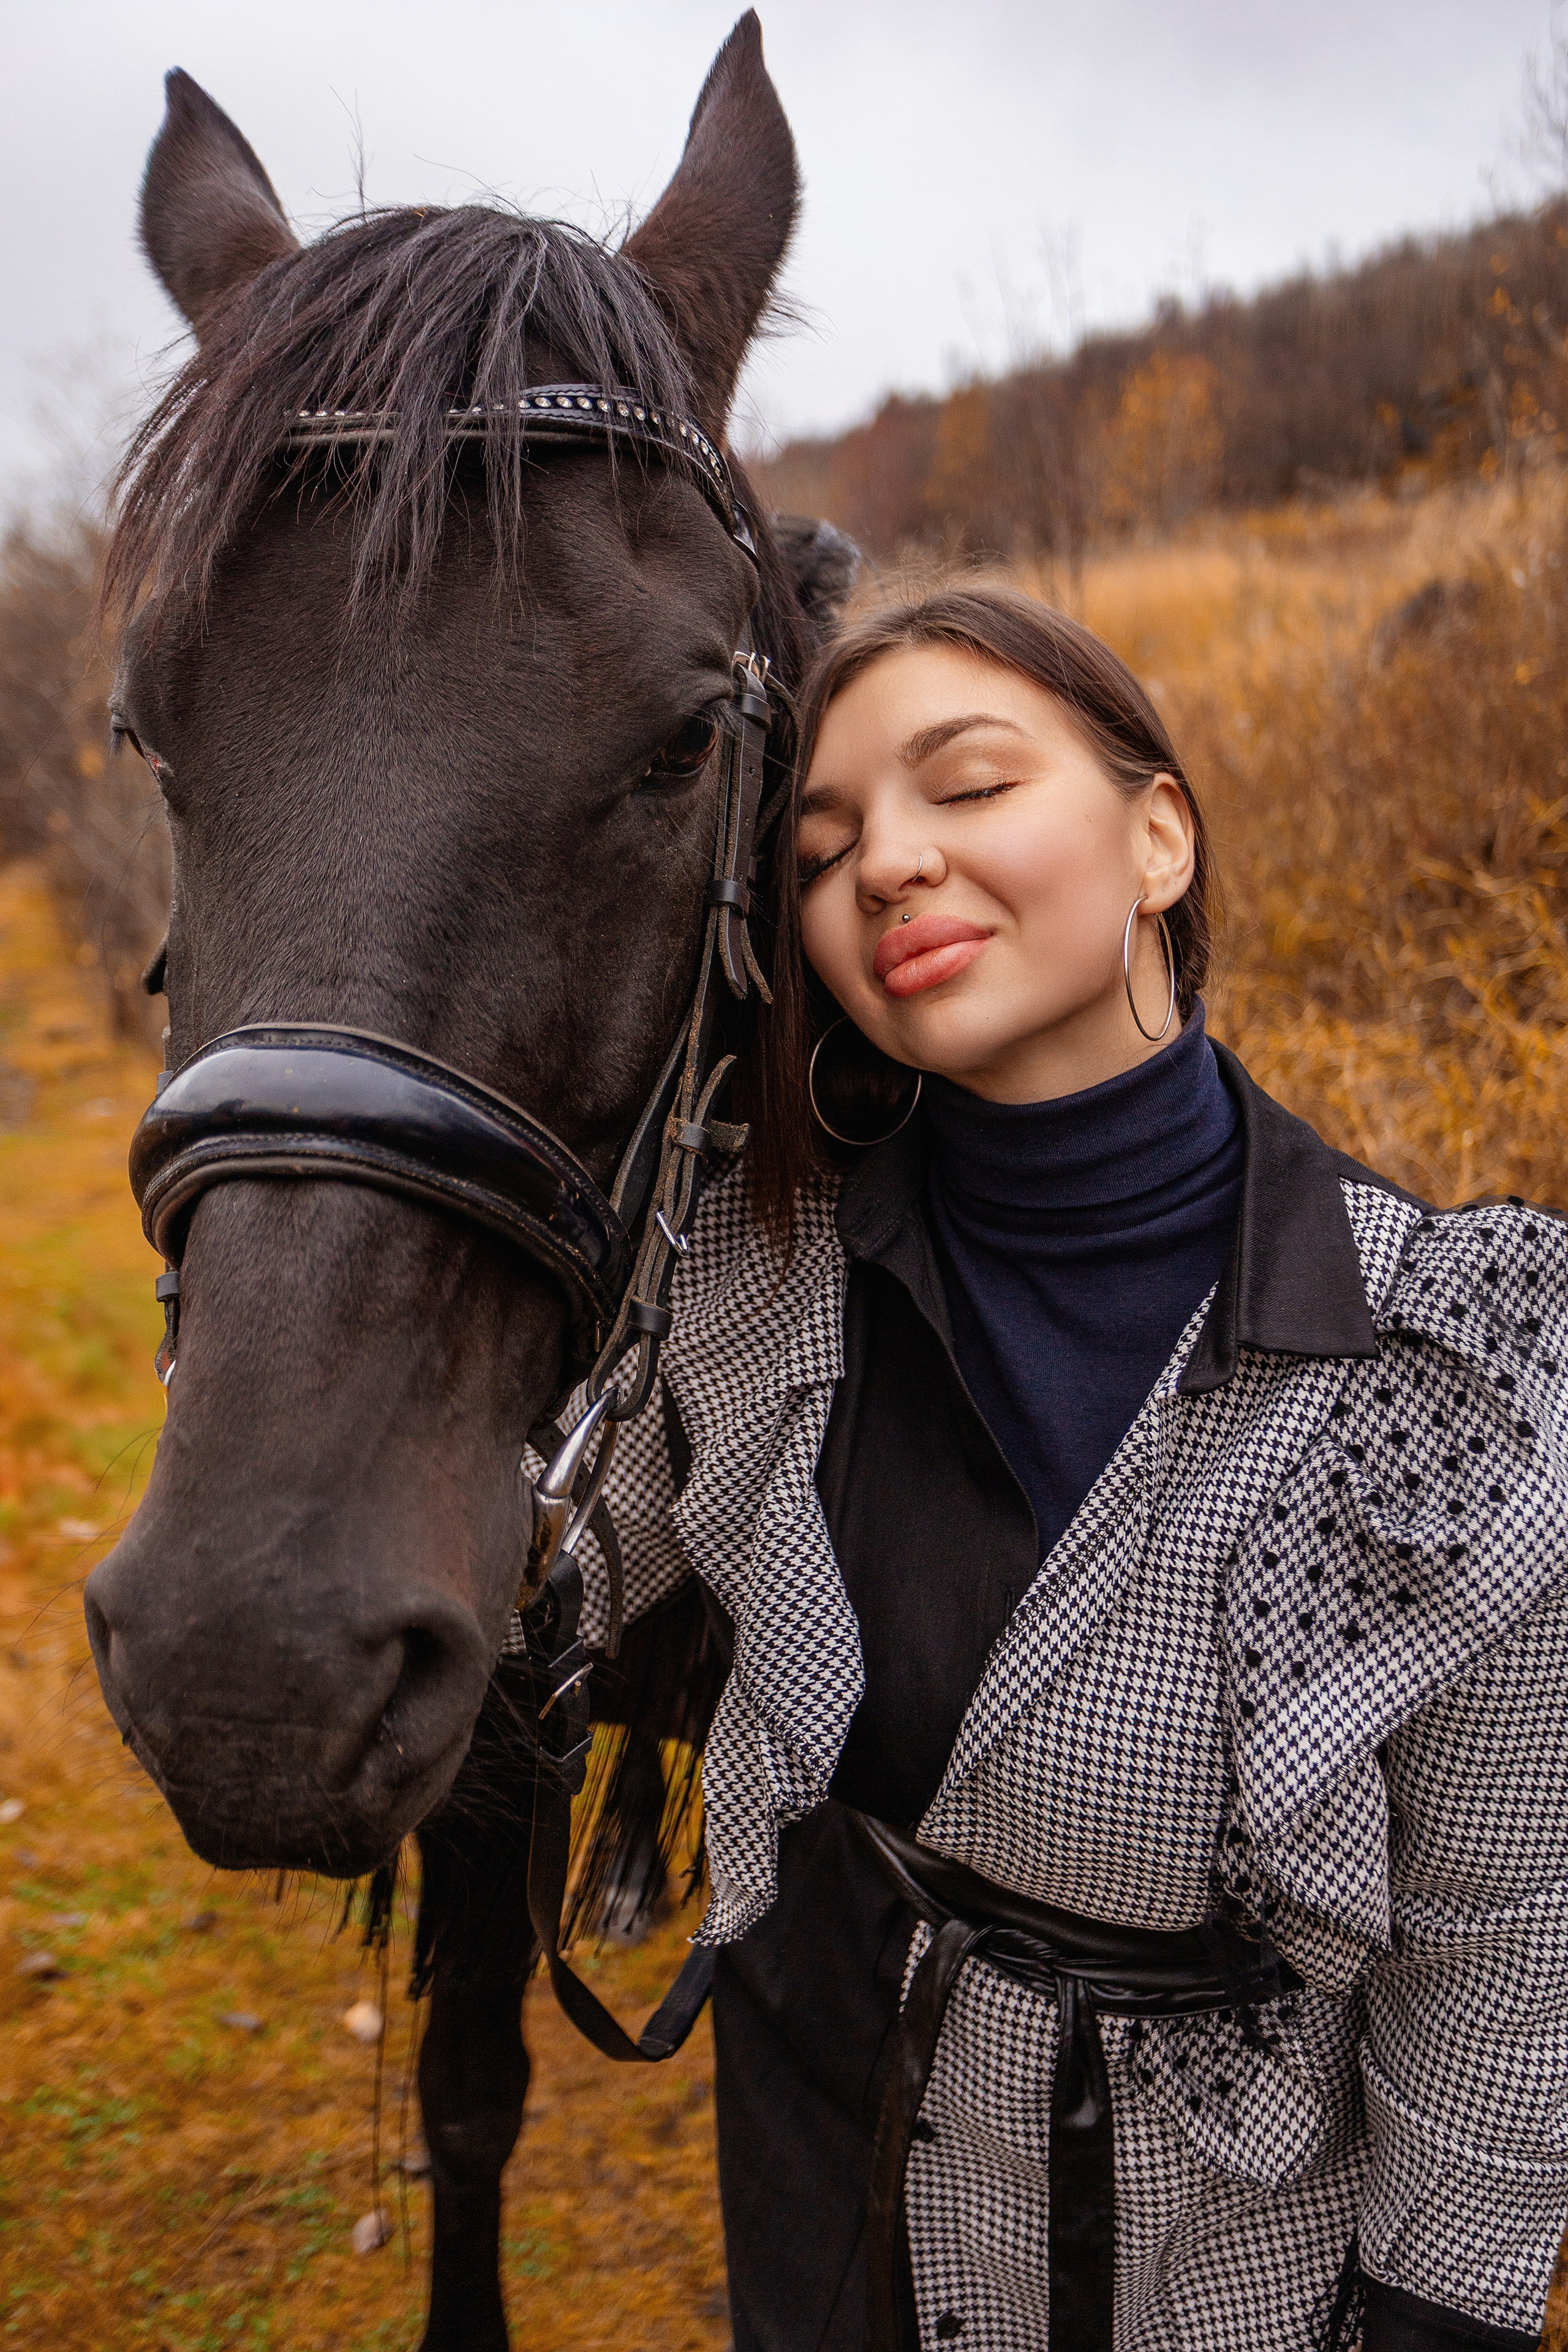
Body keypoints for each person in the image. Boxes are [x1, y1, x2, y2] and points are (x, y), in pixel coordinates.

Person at [579, 584, 1568, 2351]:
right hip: (829, 2159)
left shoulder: (1449, 1365)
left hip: (1211, 2249)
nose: (887, 865)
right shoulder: (755, 1272)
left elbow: (1495, 1937)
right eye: (820, 853)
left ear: (1160, 837)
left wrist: (1440, 2318)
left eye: (966, 787)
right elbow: (549, 1577)